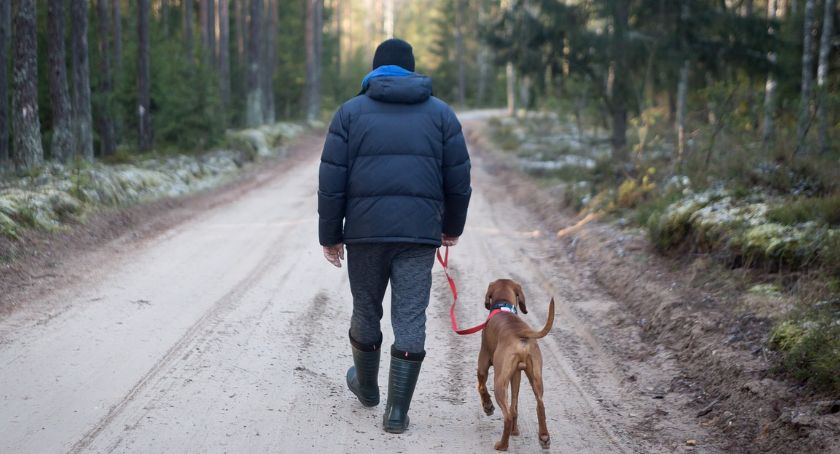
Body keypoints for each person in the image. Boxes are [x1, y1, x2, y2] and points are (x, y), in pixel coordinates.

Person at [318, 38, 471, 434]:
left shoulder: (349, 113)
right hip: (418, 236)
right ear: (412, 70)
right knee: (410, 316)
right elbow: (459, 179)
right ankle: (397, 413)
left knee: (366, 309)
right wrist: (452, 226)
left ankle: (367, 388)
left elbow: (331, 182)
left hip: (365, 234)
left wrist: (330, 235)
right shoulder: (441, 115)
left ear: (374, 70)